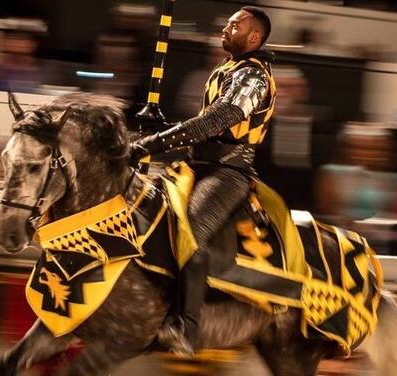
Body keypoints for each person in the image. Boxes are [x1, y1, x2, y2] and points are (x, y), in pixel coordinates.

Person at [131, 6, 276, 356]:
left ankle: (187, 327)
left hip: (229, 172)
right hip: (196, 166)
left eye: (234, 25)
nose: (225, 28)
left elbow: (220, 119)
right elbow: (202, 127)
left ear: (254, 37)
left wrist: (156, 141)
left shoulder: (254, 77)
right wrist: (162, 129)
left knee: (188, 232)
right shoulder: (225, 70)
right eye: (226, 23)